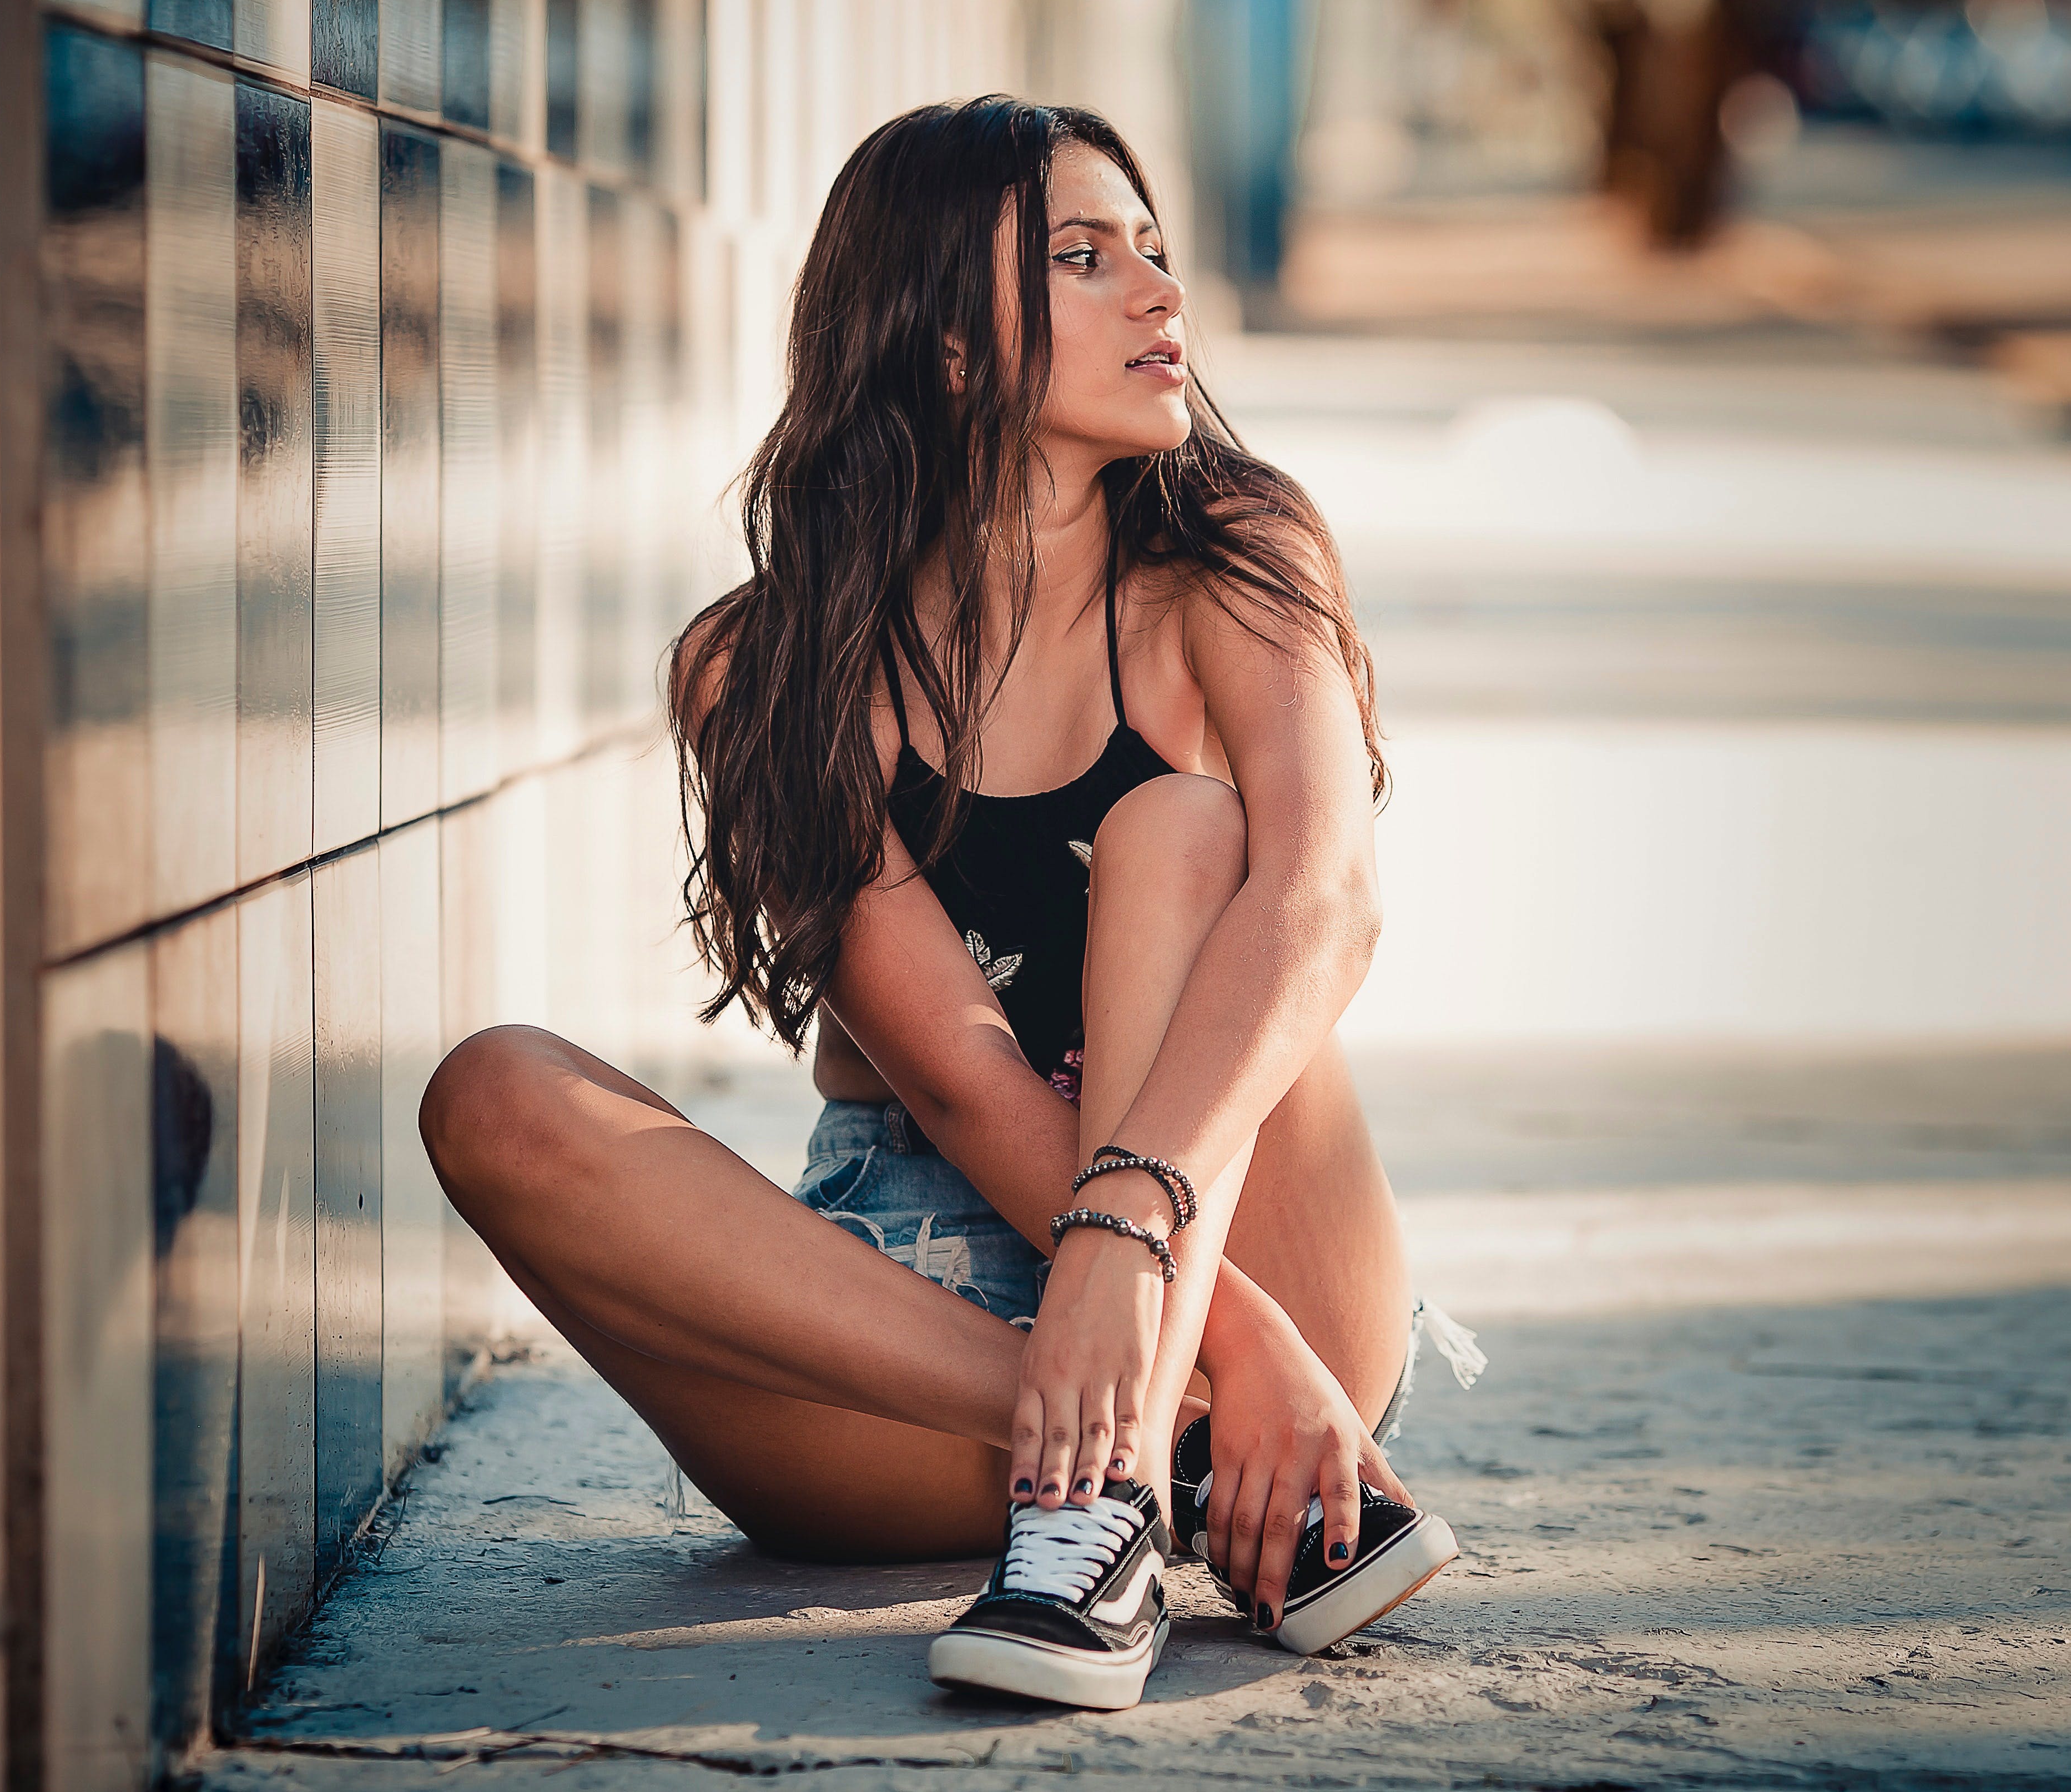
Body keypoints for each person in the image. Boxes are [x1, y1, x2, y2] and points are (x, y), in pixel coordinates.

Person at [423, 96, 1478, 1710]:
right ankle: (1146, 1469)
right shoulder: (765, 666)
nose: (1157, 294)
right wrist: (1208, 1368)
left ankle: (1099, 1497)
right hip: (914, 1353)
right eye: (1080, 255)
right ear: (945, 345)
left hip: (1249, 1241)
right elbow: (961, 1074)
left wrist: (1156, 1274)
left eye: (1154, 250)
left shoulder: (1237, 562)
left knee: (1186, 831)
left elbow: (1327, 898)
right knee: (493, 1093)